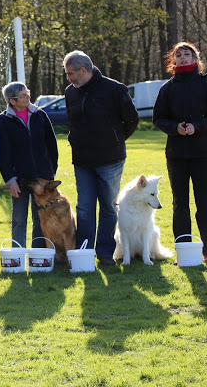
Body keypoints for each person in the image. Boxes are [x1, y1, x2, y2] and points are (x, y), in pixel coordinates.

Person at [63, 50, 138, 266]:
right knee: (85, 208)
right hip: (82, 161)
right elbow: (72, 122)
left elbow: (131, 120)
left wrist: (114, 141)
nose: (68, 78)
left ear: (83, 70)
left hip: (110, 161)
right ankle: (84, 253)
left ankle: (105, 253)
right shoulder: (70, 93)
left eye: (70, 73)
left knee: (108, 206)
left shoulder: (114, 89)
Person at [153, 41, 207, 263]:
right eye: (179, 55)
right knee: (180, 204)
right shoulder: (167, 88)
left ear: (195, 59)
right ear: (173, 60)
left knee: (204, 202)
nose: (183, 57)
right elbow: (158, 118)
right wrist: (175, 127)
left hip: (203, 152)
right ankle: (183, 252)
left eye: (187, 54)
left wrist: (198, 126)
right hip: (176, 153)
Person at [0, 82, 58, 248]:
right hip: (19, 180)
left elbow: (52, 145)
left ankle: (39, 256)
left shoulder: (40, 115)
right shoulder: (3, 121)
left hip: (42, 178)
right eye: (23, 95)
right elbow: (3, 153)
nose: (28, 96)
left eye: (27, 92)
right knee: (18, 219)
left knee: (41, 218)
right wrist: (10, 179)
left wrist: (51, 172)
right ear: (12, 101)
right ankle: (18, 255)